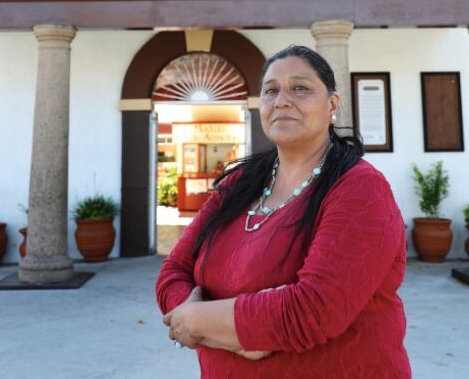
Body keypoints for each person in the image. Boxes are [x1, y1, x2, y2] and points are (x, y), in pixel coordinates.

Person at [156, 45, 411, 377]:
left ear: (332, 104)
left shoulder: (361, 190)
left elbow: (314, 312)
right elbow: (173, 272)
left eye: (300, 88)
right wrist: (236, 332)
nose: (282, 100)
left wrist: (198, 321)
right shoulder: (238, 184)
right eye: (270, 91)